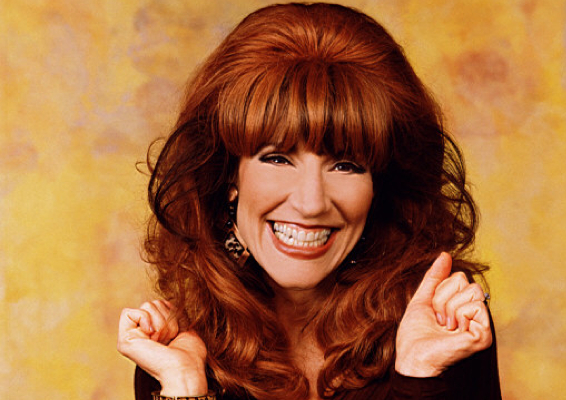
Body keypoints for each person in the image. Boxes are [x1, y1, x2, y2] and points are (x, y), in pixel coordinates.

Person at [117, 3, 502, 400]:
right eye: (278, 159)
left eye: (346, 165)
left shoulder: (440, 323)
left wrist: (419, 377)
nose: (311, 203)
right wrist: (183, 387)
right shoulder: (179, 348)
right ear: (228, 174)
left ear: (379, 186)